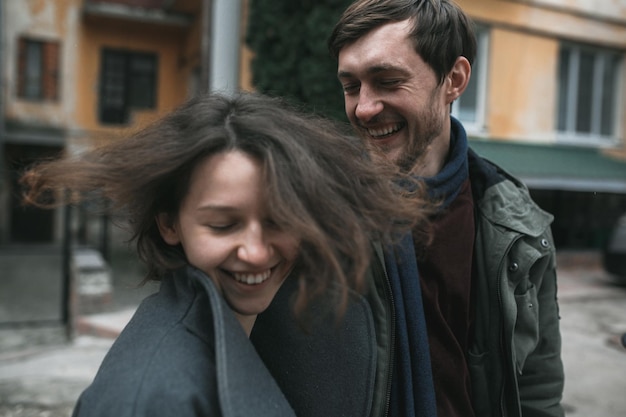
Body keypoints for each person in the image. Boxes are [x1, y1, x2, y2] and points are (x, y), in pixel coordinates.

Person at [20, 92, 433, 417]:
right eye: (222, 225)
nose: (255, 253)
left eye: (279, 220)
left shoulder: (257, 327)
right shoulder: (153, 398)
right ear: (170, 224)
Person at [252, 1, 565, 417]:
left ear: (454, 79)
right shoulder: (313, 210)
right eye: (351, 86)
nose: (363, 107)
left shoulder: (516, 223)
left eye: (387, 81)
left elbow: (537, 390)